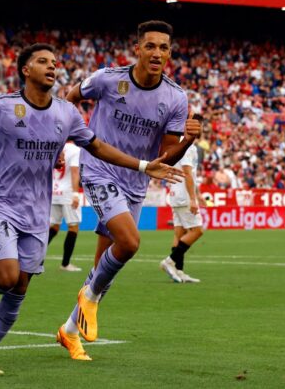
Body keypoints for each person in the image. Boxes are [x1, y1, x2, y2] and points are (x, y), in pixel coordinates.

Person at [0, 43, 184, 375]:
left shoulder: (66, 113)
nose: (51, 66)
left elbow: (98, 147)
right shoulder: (4, 106)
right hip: (3, 205)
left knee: (20, 287)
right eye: (43, 61)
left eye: (54, 62)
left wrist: (144, 166)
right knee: (6, 278)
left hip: (37, 213)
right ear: (26, 70)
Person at [57, 20, 202, 359]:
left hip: (136, 181)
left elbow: (166, 155)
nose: (157, 53)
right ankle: (88, 299)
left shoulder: (175, 98)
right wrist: (70, 138)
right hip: (99, 169)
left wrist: (188, 140)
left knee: (103, 271)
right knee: (130, 242)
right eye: (150, 46)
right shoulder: (108, 79)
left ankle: (69, 331)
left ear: (170, 53)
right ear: (137, 49)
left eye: (163, 47)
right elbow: (70, 99)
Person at [161, 142, 203, 283]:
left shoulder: (181, 146)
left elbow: (191, 174)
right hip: (184, 197)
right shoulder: (187, 147)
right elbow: (187, 173)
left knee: (179, 234)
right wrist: (193, 199)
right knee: (197, 231)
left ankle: (178, 270)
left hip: (176, 194)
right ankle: (170, 261)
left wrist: (198, 194)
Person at [49, 142, 83, 272]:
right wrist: (75, 194)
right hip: (68, 192)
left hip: (53, 191)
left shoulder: (55, 145)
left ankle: (35, 259)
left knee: (53, 227)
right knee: (73, 227)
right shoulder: (75, 150)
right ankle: (65, 264)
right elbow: (75, 171)